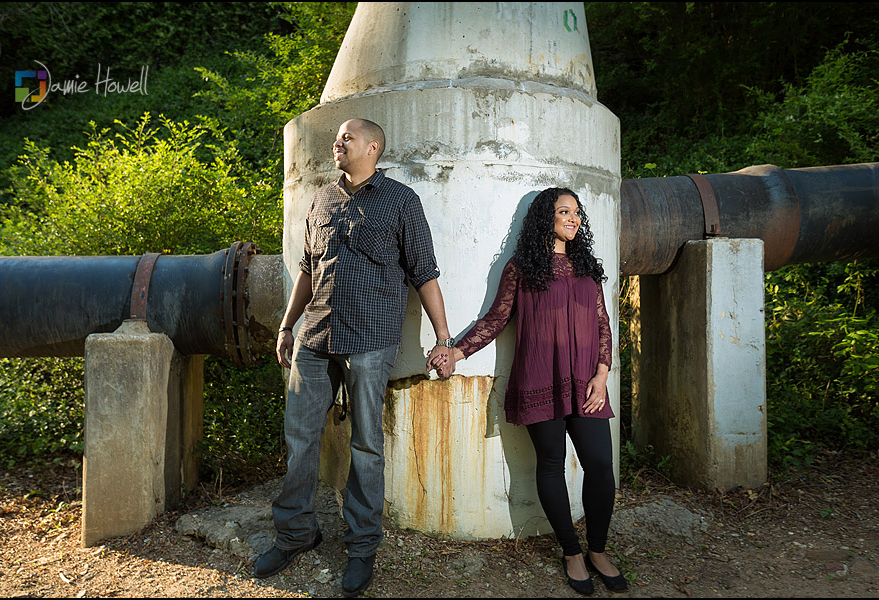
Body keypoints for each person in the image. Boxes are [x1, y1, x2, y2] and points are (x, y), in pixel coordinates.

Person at [253, 118, 456, 597]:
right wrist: (287, 325)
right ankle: (296, 535)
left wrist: (443, 338)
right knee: (300, 439)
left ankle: (362, 548)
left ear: (373, 147)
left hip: (371, 340)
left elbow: (424, 273)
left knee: (366, 446)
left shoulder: (402, 201)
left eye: (347, 138)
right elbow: (306, 269)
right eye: (336, 138)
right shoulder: (320, 200)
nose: (337, 143)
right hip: (315, 336)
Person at [433, 187, 627, 595]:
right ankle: (571, 552)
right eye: (564, 212)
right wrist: (456, 353)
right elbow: (496, 319)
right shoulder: (522, 268)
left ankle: (598, 549)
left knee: (601, 466)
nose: (574, 219)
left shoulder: (586, 267)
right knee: (551, 465)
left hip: (588, 383)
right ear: (546, 218)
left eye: (577, 212)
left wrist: (603, 372)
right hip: (540, 378)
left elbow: (604, 324)